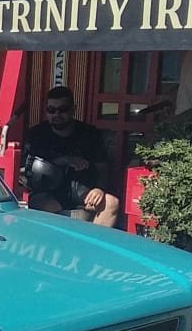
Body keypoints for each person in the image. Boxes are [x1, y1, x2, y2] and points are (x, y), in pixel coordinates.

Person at [21, 86, 121, 228]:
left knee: (111, 203)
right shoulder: (37, 134)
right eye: (51, 110)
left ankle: (90, 241)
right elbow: (28, 167)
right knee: (38, 204)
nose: (57, 114)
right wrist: (64, 160)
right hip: (49, 193)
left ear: (73, 109)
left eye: (63, 109)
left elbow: (102, 167)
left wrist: (99, 189)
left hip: (84, 191)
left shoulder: (89, 134)